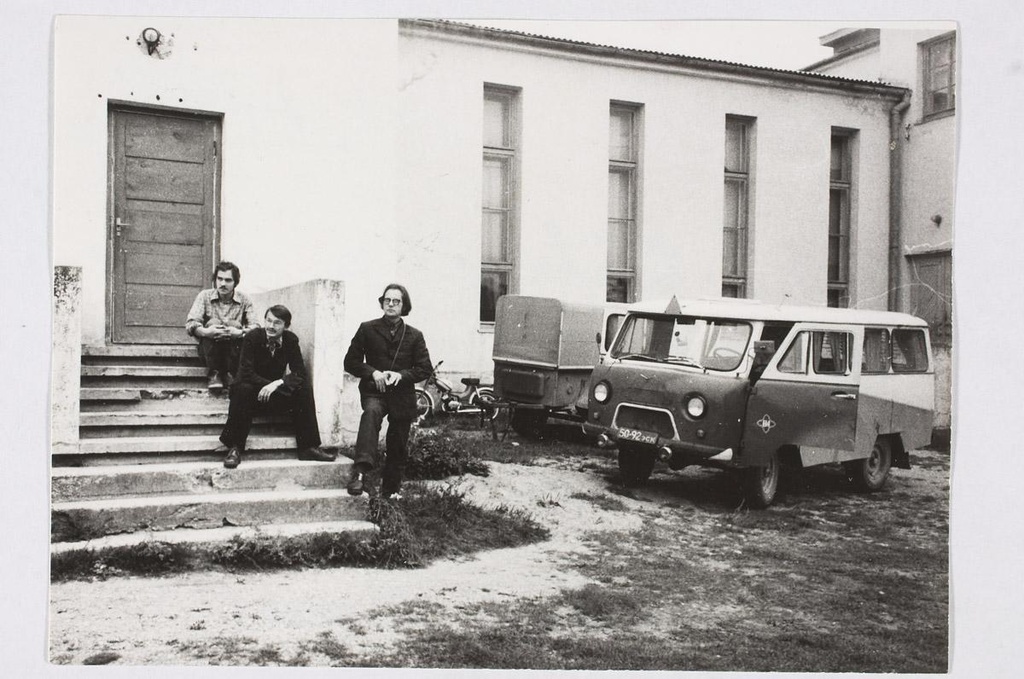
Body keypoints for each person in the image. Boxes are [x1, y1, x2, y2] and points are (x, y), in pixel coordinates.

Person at [218, 304, 336, 468]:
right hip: (251, 394)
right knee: (242, 388)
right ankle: (235, 447)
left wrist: (277, 383)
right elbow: (246, 372)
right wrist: (268, 385)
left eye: (277, 323)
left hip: (274, 393)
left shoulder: (290, 340)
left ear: (286, 326)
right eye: (268, 320)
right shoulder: (252, 337)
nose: (270, 326)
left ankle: (308, 447)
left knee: (304, 389)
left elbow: (300, 372)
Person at [343, 283, 432, 499]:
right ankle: (361, 474)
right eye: (387, 300)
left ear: (404, 306)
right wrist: (373, 372)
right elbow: (350, 362)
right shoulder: (367, 328)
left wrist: (401, 376)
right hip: (375, 391)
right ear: (382, 303)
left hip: (402, 395)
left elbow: (424, 368)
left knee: (398, 439)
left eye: (396, 301)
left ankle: (391, 490)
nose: (390, 304)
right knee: (371, 414)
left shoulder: (414, 335)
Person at [185, 261, 259, 390]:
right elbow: (191, 323)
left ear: (235, 282)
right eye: (219, 279)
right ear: (215, 280)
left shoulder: (245, 299)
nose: (223, 284)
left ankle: (231, 373)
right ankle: (215, 373)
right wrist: (207, 332)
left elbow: (256, 327)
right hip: (209, 350)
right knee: (213, 323)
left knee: (235, 325)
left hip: (234, 350)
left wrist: (238, 333)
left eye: (228, 280)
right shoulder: (204, 296)